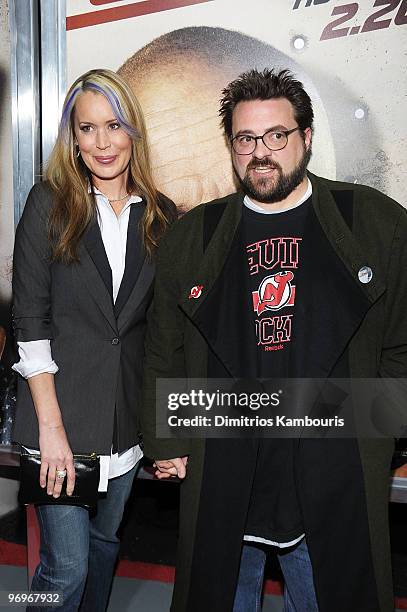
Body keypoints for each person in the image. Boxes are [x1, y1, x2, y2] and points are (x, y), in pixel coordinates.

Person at [141, 68, 407, 611]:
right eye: (246, 139)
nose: (261, 152)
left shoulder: (377, 224)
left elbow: (400, 345)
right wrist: (167, 441)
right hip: (225, 468)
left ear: (305, 138)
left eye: (277, 135)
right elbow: (164, 348)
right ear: (232, 147)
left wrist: (382, 438)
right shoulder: (193, 237)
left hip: (332, 470)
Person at [12, 68, 176, 611]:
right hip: (60, 424)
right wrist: (52, 432)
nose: (102, 143)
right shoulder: (49, 204)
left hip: (123, 427)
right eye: (88, 129)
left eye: (114, 126)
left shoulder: (159, 215)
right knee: (67, 569)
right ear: (73, 138)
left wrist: (165, 429)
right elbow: (30, 322)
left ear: (134, 131)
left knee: (104, 548)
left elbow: (160, 333)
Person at [118, 26, 386, 213]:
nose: (211, 225)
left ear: (307, 144)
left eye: (241, 199)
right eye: (176, 217)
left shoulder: (374, 226)